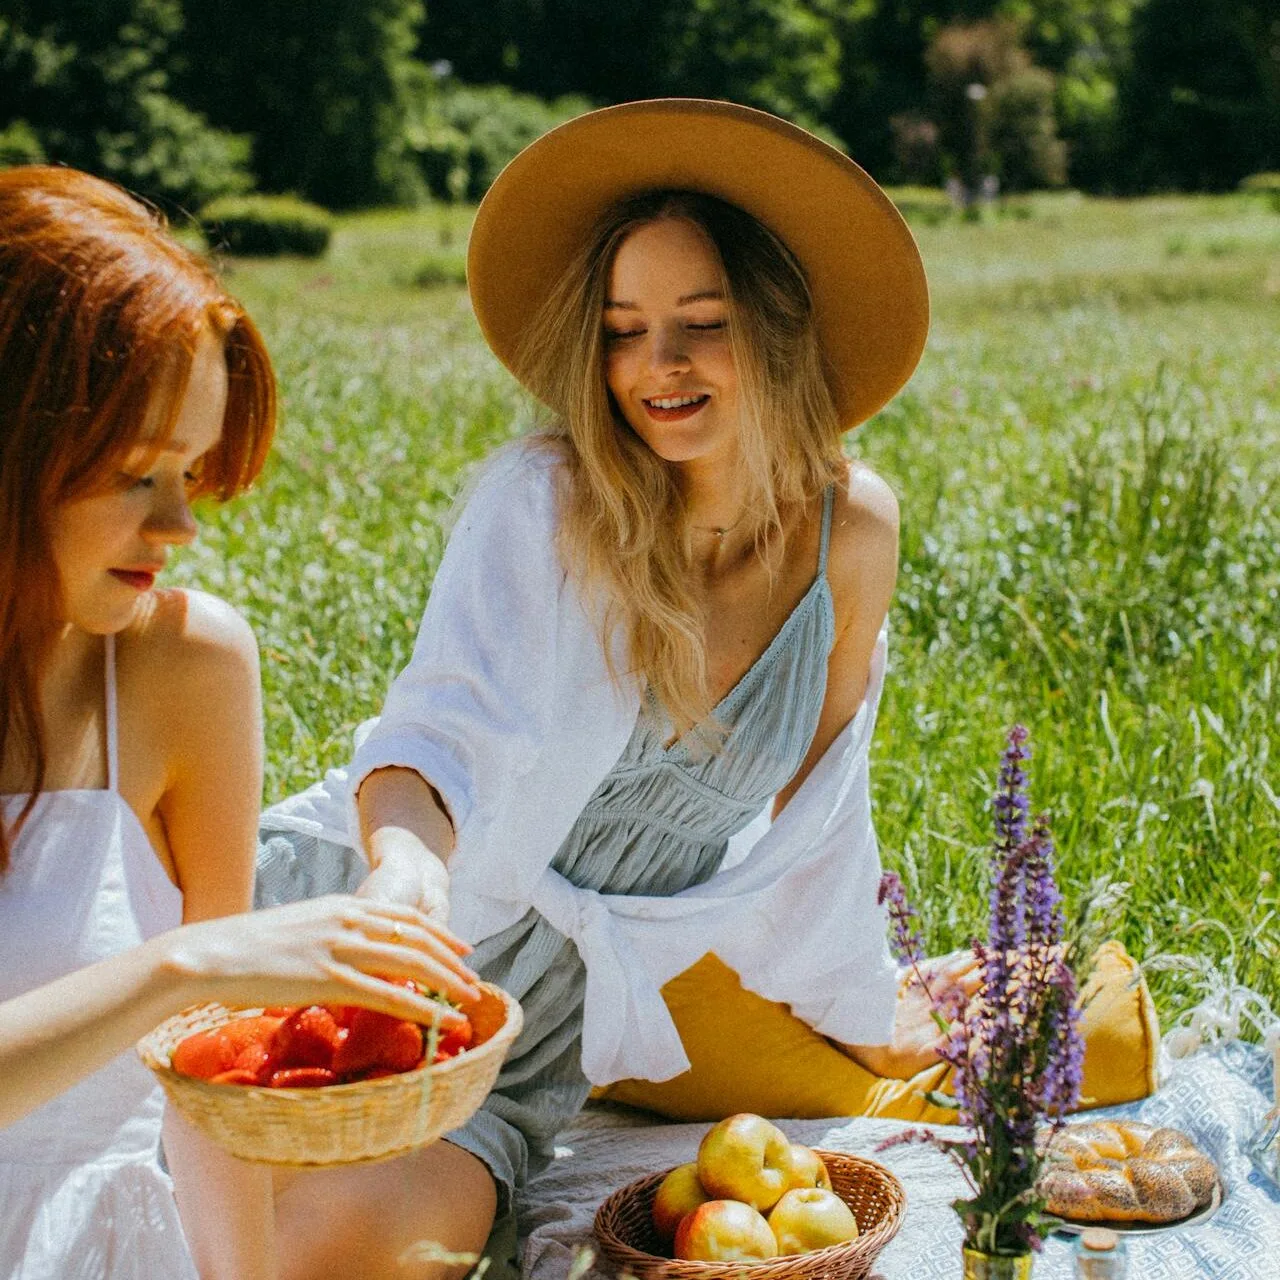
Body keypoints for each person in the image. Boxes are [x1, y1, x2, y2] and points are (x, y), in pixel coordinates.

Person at [256, 98, 960, 1276]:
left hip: (528, 1038)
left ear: (777, 329)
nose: (657, 366)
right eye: (623, 330)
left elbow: (822, 809)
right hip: (375, 935)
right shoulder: (543, 505)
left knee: (352, 1245)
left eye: (702, 321)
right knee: (146, 1171)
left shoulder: (851, 529)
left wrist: (855, 999)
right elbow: (434, 734)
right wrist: (405, 873)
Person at [0, 166, 479, 1280]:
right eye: (133, 475)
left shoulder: (182, 662)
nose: (180, 525)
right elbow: (194, 980)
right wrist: (185, 962)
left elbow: (210, 1081)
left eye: (190, 472)